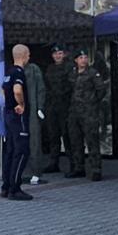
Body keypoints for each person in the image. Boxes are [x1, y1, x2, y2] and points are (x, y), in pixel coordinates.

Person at [65, 50, 107, 181]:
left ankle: (96, 169)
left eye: (85, 57)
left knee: (92, 141)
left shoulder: (93, 73)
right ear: (76, 60)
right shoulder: (72, 73)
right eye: (81, 58)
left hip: (89, 112)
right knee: (75, 141)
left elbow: (101, 90)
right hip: (74, 112)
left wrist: (92, 102)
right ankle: (79, 168)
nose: (83, 60)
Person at [0, 44, 34, 201]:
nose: (29, 57)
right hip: (18, 116)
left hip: (8, 114)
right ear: (25, 55)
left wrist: (8, 104)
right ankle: (15, 188)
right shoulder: (19, 72)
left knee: (11, 151)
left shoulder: (8, 71)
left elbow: (2, 90)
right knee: (22, 151)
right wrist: (21, 104)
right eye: (28, 55)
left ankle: (6, 186)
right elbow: (17, 90)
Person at [40, 45, 71, 174]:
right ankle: (54, 163)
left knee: (68, 136)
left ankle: (73, 164)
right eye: (55, 54)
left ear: (64, 54)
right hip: (52, 106)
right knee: (53, 136)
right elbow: (46, 86)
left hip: (65, 105)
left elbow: (71, 86)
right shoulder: (50, 68)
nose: (58, 56)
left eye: (60, 53)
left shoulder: (69, 67)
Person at [24, 47, 47, 185]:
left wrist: (40, 107)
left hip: (32, 110)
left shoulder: (33, 69)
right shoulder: (14, 70)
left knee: (34, 141)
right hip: (19, 111)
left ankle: (36, 171)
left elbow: (41, 89)